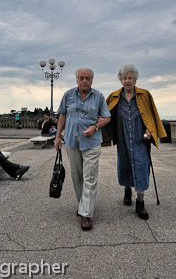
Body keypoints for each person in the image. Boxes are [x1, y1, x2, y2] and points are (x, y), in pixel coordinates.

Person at [103, 64, 167, 220]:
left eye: (130, 78)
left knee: (141, 167)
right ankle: (127, 189)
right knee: (125, 165)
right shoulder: (114, 96)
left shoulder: (144, 95)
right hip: (123, 138)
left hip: (140, 139)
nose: (127, 81)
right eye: (124, 78)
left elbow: (151, 115)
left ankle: (140, 202)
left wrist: (150, 130)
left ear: (135, 79)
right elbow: (104, 114)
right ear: (121, 80)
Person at [54, 67, 111, 231]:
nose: (84, 81)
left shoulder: (98, 96)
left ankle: (86, 214)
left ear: (92, 80)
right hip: (72, 141)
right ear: (77, 80)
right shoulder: (68, 95)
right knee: (77, 176)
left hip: (92, 142)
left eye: (87, 78)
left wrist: (95, 127)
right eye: (81, 78)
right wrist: (58, 137)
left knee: (90, 177)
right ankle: (83, 205)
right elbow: (62, 116)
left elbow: (106, 117)